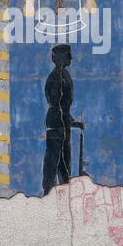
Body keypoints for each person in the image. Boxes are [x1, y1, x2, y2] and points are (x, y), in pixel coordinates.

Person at [42, 44, 82, 193]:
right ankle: (48, 193)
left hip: (61, 124)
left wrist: (70, 121)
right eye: (68, 55)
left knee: (63, 164)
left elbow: (63, 105)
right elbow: (56, 103)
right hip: (57, 124)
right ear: (60, 58)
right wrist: (64, 123)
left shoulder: (64, 75)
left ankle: (64, 193)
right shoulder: (57, 77)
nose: (71, 58)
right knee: (54, 162)